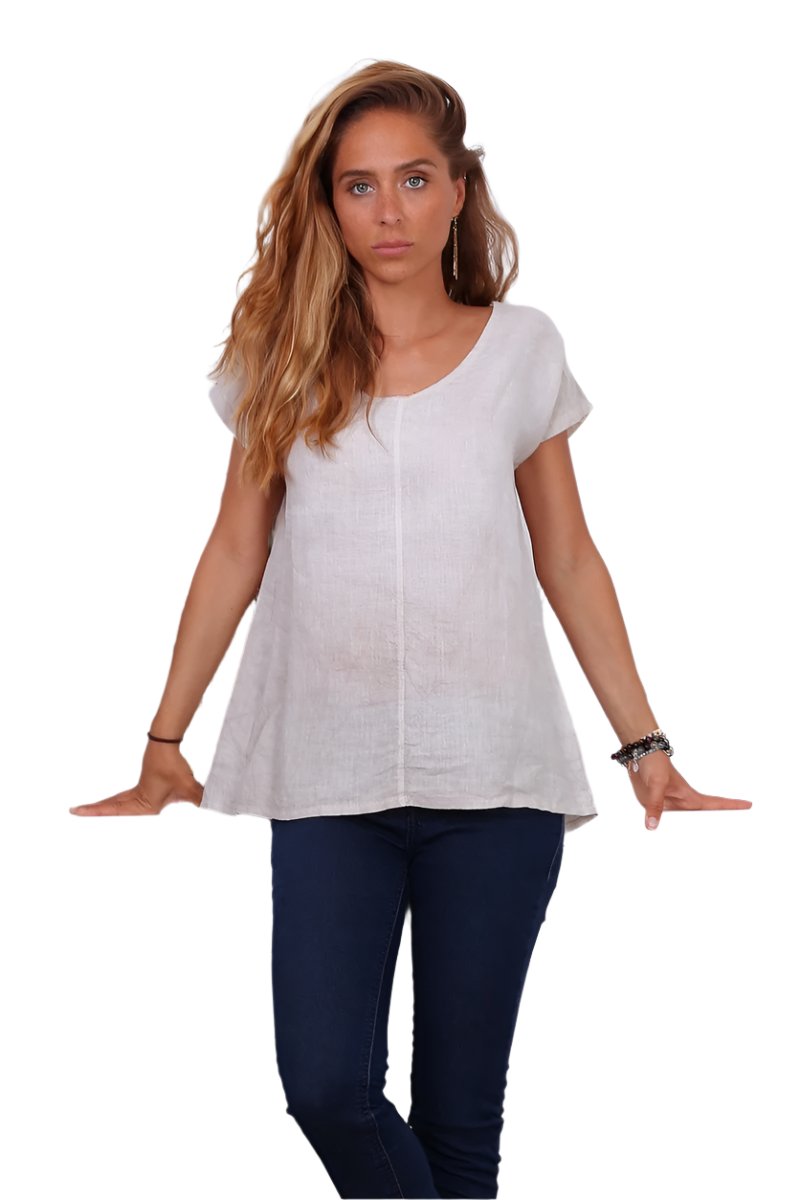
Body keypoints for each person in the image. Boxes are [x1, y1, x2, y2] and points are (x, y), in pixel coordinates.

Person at [69, 60, 752, 1200]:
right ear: (328, 205)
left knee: (458, 1126)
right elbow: (234, 551)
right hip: (326, 779)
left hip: (497, 781)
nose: (388, 210)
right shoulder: (282, 359)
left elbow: (568, 558)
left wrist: (645, 747)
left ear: (457, 190)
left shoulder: (522, 349)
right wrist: (163, 740)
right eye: (359, 185)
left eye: (414, 179)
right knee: (326, 1086)